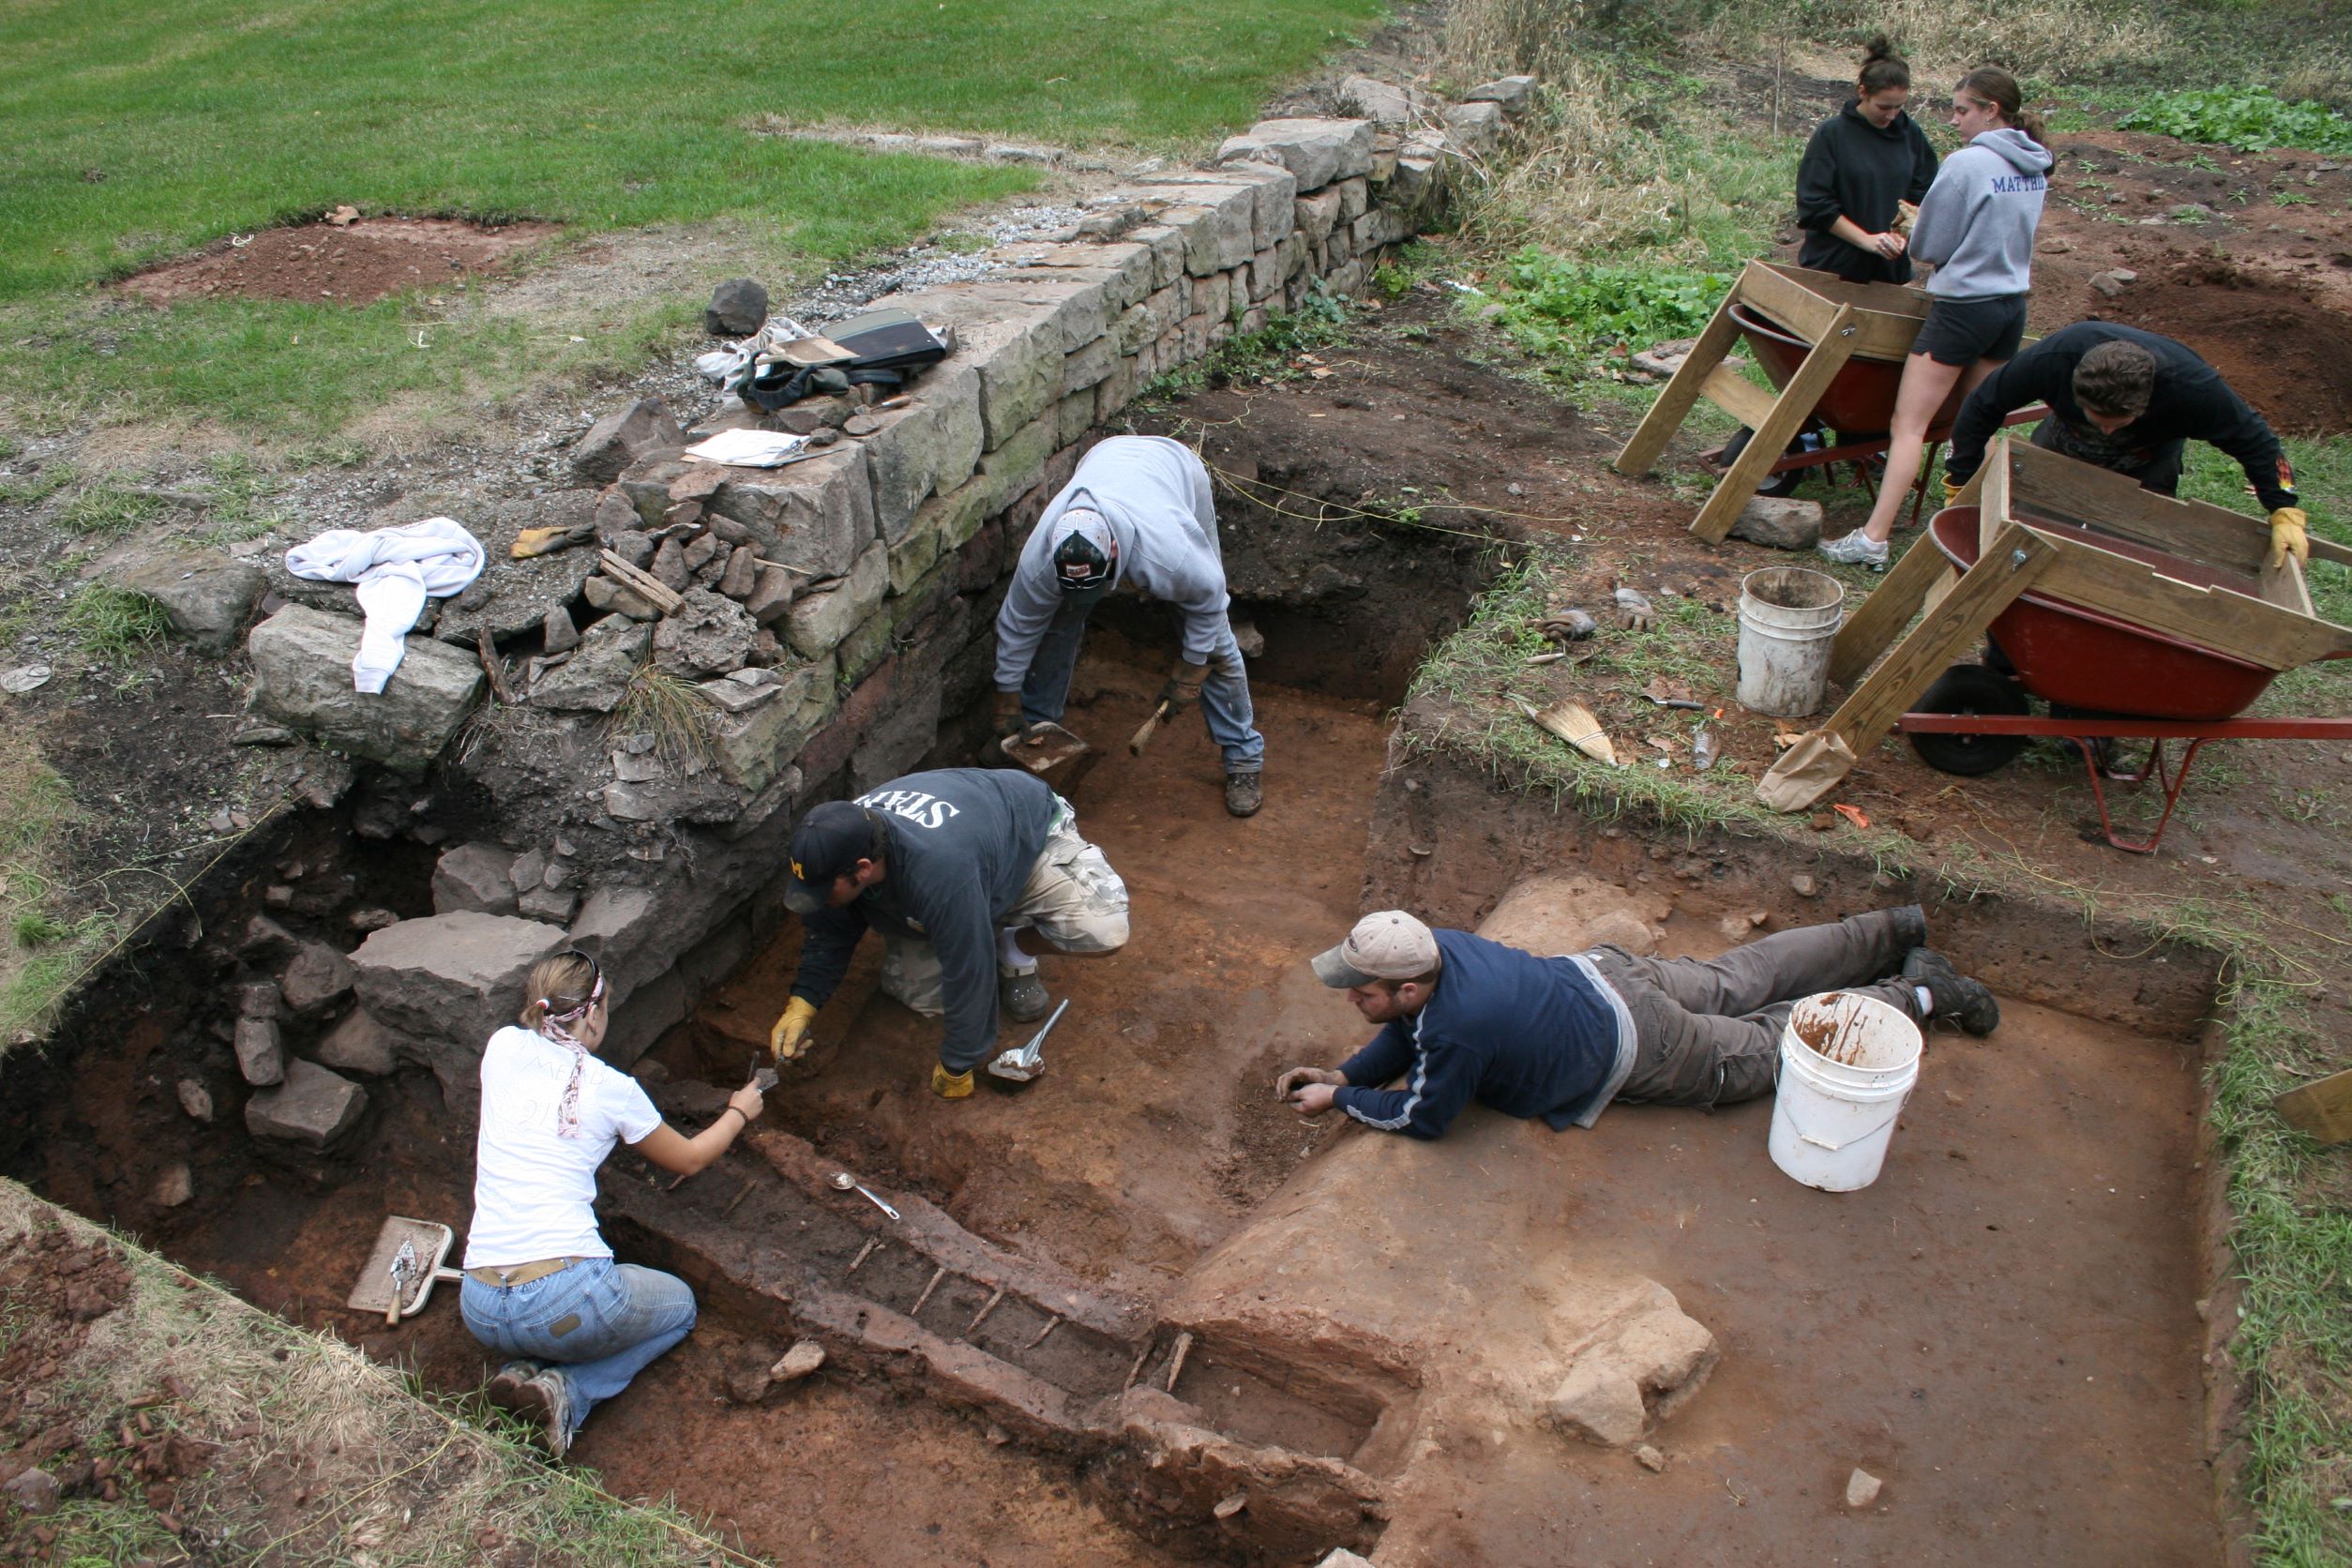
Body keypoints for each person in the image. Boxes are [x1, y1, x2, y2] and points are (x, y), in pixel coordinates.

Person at [1274, 908, 1997, 1141]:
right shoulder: (1434, 944)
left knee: (1762, 1052)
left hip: (1636, 1044)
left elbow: (1426, 1118)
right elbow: (1407, 1033)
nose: (1349, 999)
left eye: (1360, 991)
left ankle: (1920, 995)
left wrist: (1341, 1101)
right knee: (1740, 977)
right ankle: (1889, 928)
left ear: (1405, 985)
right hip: (1607, 975)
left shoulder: (1457, 1029)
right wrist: (1346, 1072)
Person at [463, 949, 763, 1458]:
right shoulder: (612, 1089)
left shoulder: (501, 1046)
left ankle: (522, 1372)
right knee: (680, 1308)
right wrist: (739, 1111)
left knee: (541, 1322)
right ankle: (567, 1394)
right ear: (595, 1014)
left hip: (481, 1305)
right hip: (566, 1301)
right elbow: (688, 1158)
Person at [766, 769, 1131, 1099]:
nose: (819, 898)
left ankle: (1013, 946)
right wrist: (803, 1003)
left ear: (862, 870)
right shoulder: (842, 837)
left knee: (1102, 930)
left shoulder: (938, 872)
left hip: (1025, 835)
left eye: (825, 890)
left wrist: (959, 1064)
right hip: (964, 859)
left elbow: (969, 969)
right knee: (923, 997)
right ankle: (977, 918)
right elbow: (829, 930)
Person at [1820, 67, 2052, 569]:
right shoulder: (2034, 164)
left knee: (1908, 425)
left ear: (1991, 110)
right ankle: (1988, 533)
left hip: (1963, 307)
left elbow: (1929, 248)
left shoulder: (1967, 164)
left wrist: (1917, 224)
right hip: (2010, 306)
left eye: (1963, 109)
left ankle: (1874, 538)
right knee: (1982, 423)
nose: (1955, 120)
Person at [994, 434, 1267, 819]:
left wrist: (1189, 673)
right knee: (1056, 621)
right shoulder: (1041, 559)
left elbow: (1208, 603)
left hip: (1174, 470)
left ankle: (1243, 758)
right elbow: (1017, 628)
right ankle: (1038, 732)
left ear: (1115, 553)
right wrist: (1007, 699)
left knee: (1217, 647)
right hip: (1105, 458)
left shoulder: (1170, 555)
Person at [1941, 322, 2307, 567]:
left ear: (2144, 403)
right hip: (2061, 443)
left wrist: (2284, 507)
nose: (2108, 433)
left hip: (2148, 461)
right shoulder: (2053, 359)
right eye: (2097, 420)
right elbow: (1980, 406)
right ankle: (2005, 660)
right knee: (2025, 543)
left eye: (2118, 424)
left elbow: (2259, 443)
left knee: (2131, 556)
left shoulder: (2194, 391)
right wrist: (1960, 478)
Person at [1794, 37, 1939, 287]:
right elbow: (1815, 205)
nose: (1892, 115)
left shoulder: (1911, 134)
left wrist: (1901, 235)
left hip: (1890, 273)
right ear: (1863, 93)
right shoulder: (1832, 135)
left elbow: (1923, 191)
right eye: (1884, 107)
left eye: (1899, 107)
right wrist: (1866, 240)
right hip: (1833, 268)